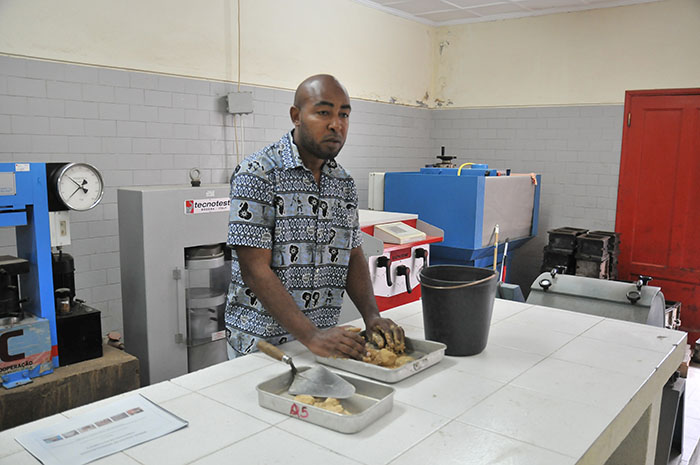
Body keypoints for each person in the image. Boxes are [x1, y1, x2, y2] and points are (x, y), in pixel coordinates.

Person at [225, 74, 404, 359]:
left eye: (344, 114)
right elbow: (255, 270)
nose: (336, 124)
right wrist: (310, 335)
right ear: (296, 116)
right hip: (262, 344)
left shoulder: (343, 182)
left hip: (323, 341)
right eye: (323, 113)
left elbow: (352, 252)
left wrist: (372, 316)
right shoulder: (258, 173)